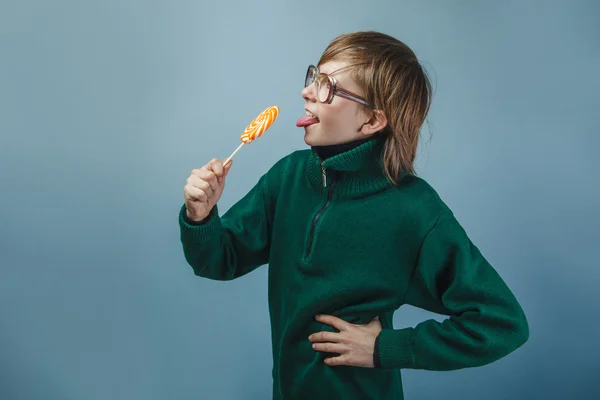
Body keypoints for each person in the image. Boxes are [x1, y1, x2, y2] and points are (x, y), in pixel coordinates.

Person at [178, 31, 529, 400]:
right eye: (314, 77)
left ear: (372, 121)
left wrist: (385, 349)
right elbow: (219, 260)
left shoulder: (414, 211)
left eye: (328, 86)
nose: (308, 92)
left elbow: (502, 323)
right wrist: (200, 216)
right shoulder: (287, 178)